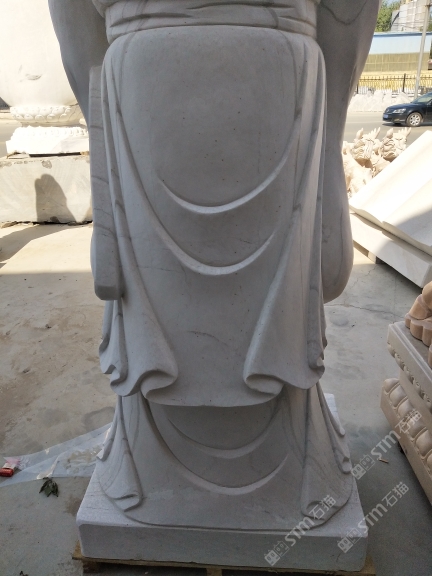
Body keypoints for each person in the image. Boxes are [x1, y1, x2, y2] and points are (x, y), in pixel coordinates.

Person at [49, 0, 379, 527]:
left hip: (259, 75)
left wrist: (330, 143)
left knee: (276, 321)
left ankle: (273, 466)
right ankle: (159, 469)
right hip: (163, 83)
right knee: (158, 318)